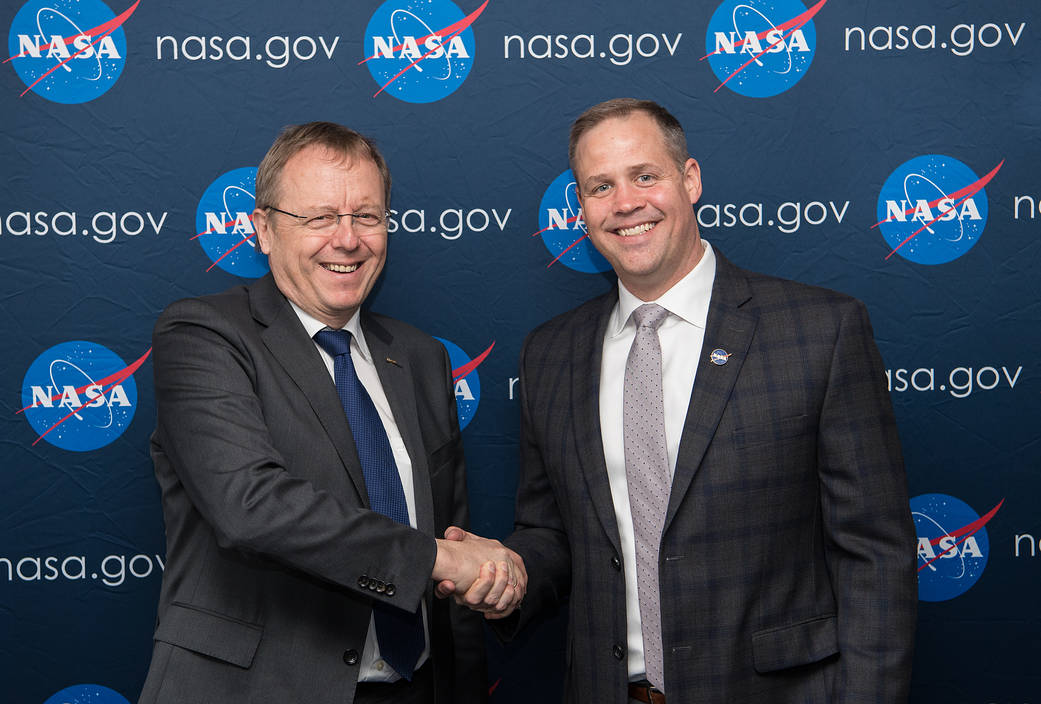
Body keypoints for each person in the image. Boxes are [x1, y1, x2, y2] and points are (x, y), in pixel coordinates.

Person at [446, 99, 917, 703]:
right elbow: (554, 536)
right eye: (600, 186)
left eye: (645, 176)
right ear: (582, 209)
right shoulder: (550, 356)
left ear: (690, 180)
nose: (625, 203)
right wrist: (503, 573)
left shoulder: (820, 332)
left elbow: (875, 554)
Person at [139, 121, 524, 704]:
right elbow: (250, 506)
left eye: (366, 216)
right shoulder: (203, 334)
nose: (347, 240)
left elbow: (447, 547)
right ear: (263, 229)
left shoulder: (420, 358)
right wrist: (439, 558)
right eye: (319, 217)